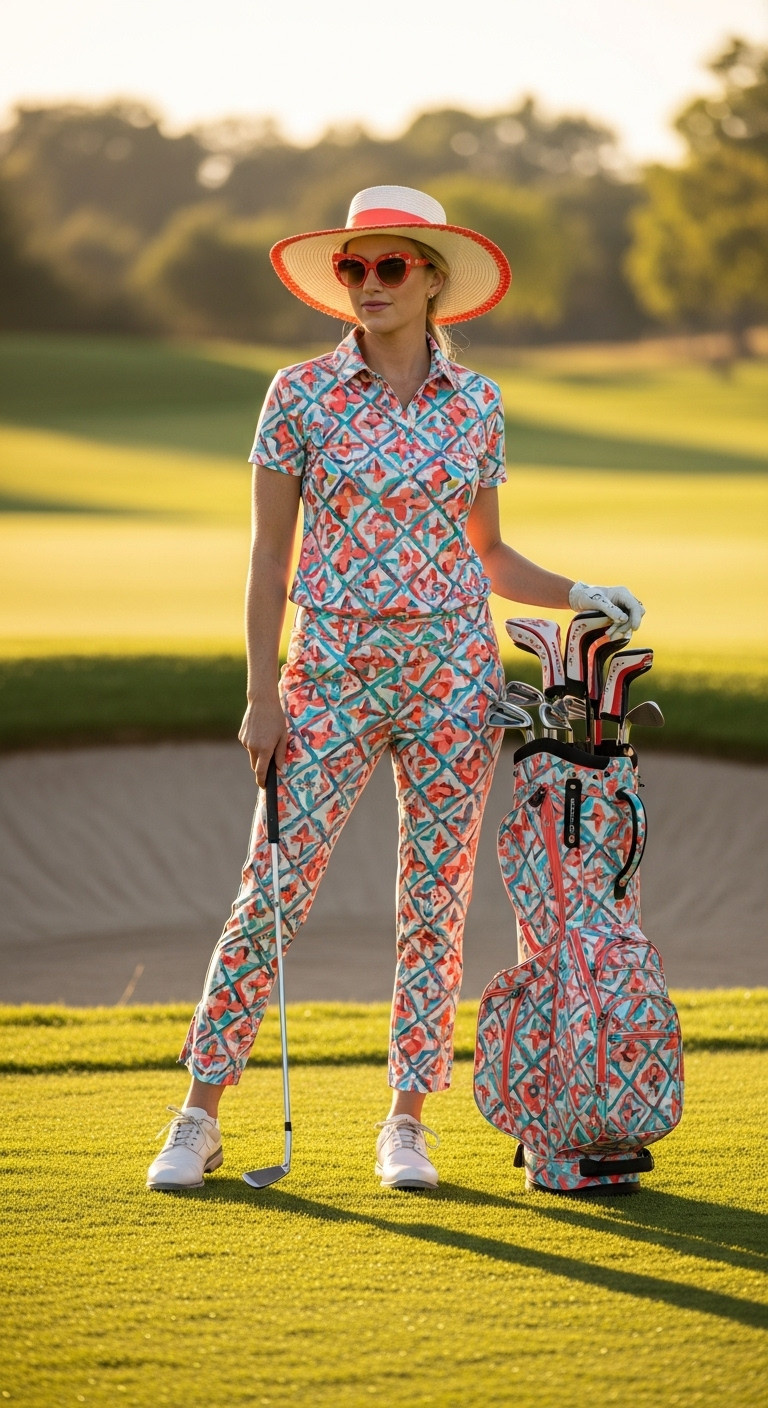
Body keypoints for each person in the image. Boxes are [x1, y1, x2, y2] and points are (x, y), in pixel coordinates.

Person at [147, 186, 644, 1193]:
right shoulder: (297, 394)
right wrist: (261, 690)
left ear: (429, 280)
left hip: (454, 678)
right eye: (351, 269)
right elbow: (267, 560)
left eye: (388, 268)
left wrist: (580, 592)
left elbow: (490, 553)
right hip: (326, 674)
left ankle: (406, 1124)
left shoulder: (478, 403)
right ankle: (197, 1114)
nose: (367, 286)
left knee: (435, 899)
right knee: (271, 894)